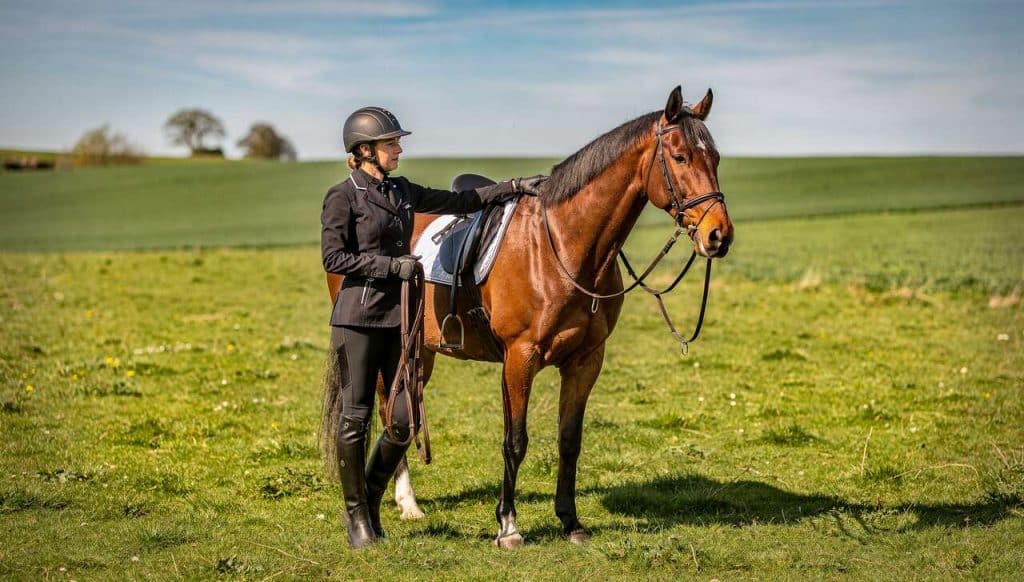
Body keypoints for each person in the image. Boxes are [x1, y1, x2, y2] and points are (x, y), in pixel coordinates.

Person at [321, 106, 544, 548]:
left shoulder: (402, 191)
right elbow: (335, 259)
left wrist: (513, 187)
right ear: (365, 150)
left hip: (402, 320)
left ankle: (369, 493)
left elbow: (460, 201)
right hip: (357, 318)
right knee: (356, 418)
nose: (399, 149)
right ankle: (358, 519)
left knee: (402, 421)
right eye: (391, 144)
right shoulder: (341, 197)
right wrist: (392, 265)